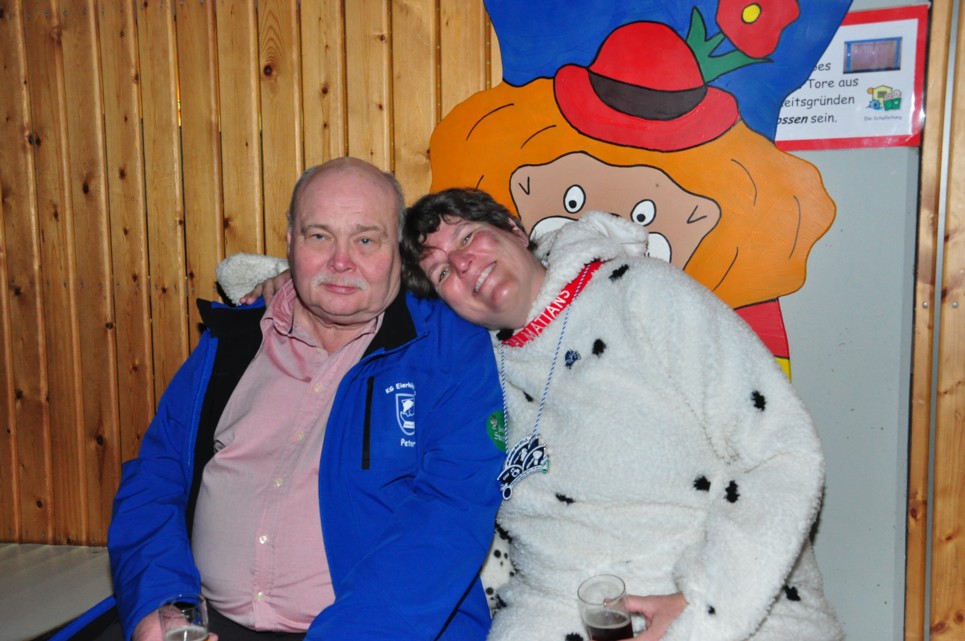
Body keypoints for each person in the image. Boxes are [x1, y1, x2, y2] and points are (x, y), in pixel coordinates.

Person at [398, 188, 845, 641]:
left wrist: (702, 605)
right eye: (441, 272)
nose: (462, 263)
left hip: (718, 599)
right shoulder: (473, 374)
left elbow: (777, 450)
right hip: (554, 609)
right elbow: (466, 523)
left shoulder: (642, 293)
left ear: (514, 230)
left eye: (467, 237)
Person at [106, 159, 505, 641]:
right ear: (291, 241)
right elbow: (157, 474)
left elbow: (451, 513)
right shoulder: (232, 339)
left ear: (400, 250)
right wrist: (161, 602)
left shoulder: (448, 347)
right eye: (319, 236)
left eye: (366, 240)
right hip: (206, 624)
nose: (341, 261)